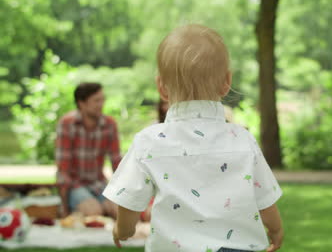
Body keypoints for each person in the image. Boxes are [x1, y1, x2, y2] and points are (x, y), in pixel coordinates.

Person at [103, 24, 284, 252]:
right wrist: (275, 230)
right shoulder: (242, 140)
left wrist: (122, 230)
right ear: (227, 82)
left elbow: (129, 201)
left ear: (161, 87)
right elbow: (265, 197)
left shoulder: (148, 142)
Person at [55, 82, 121, 218]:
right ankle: (95, 207)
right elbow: (63, 169)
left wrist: (121, 195)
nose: (101, 104)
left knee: (121, 211)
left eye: (102, 99)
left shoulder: (109, 124)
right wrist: (64, 207)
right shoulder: (67, 124)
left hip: (99, 183)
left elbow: (117, 163)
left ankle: (102, 207)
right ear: (81, 103)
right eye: (96, 100)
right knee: (94, 212)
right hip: (75, 185)